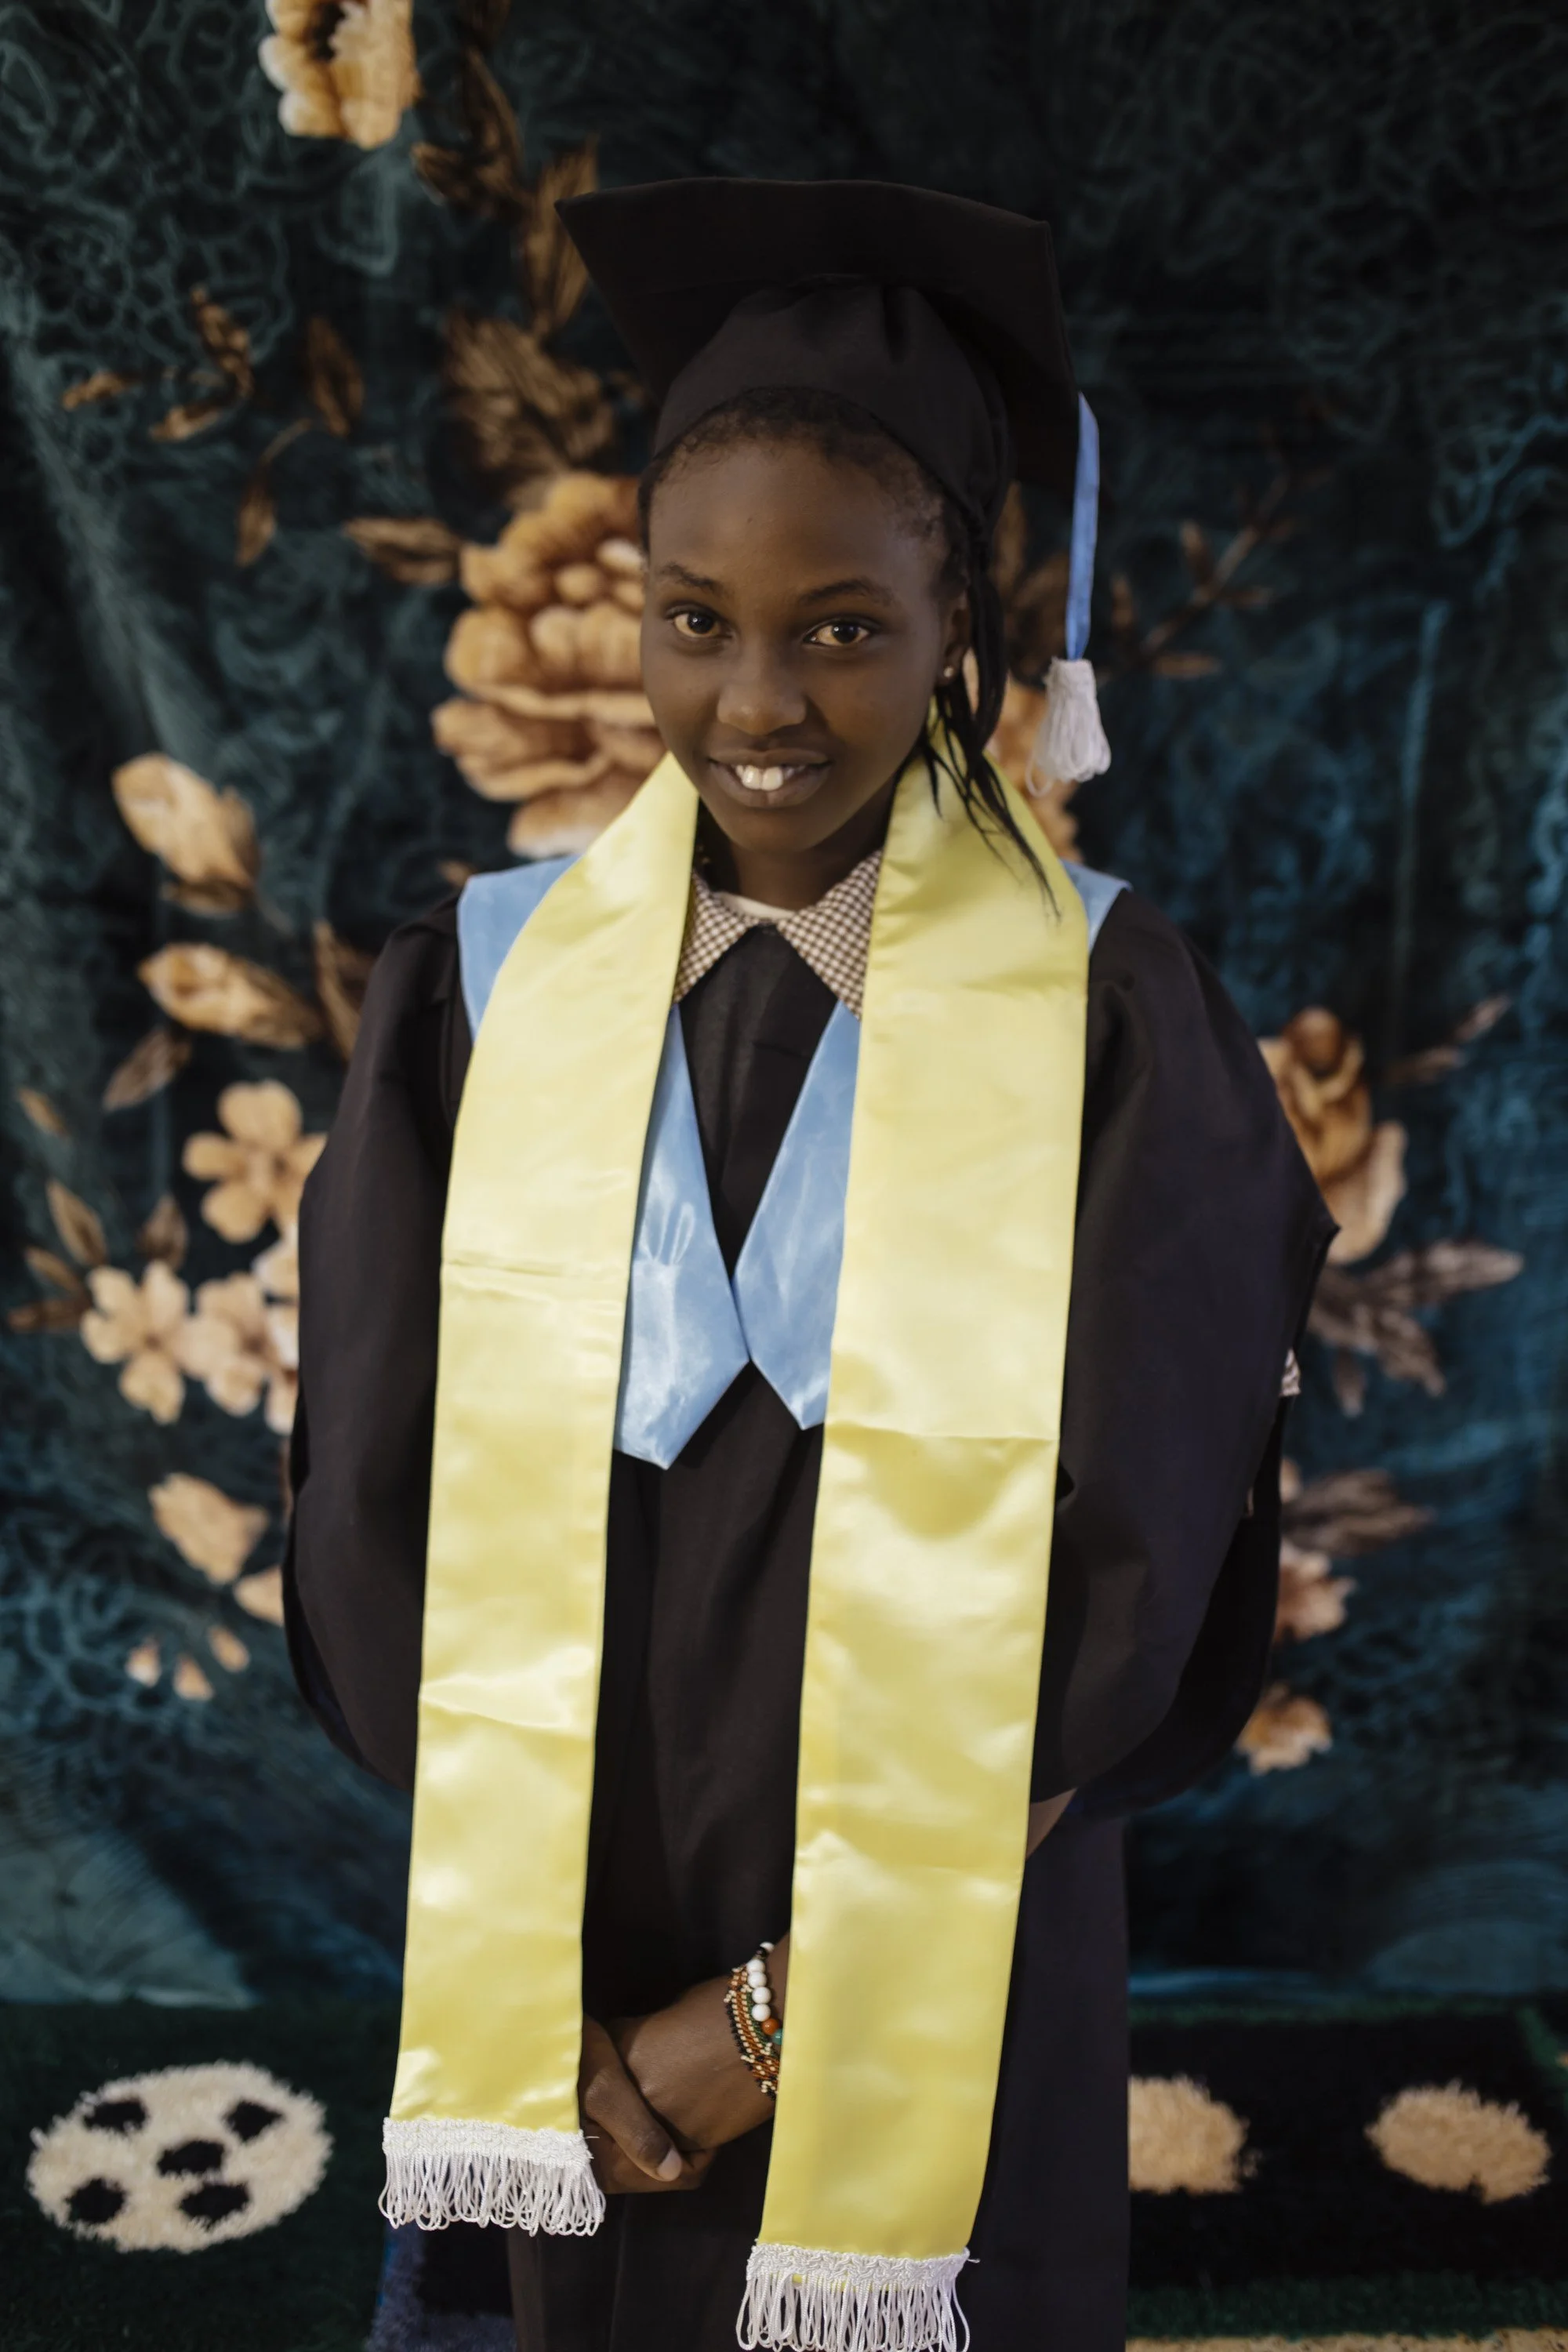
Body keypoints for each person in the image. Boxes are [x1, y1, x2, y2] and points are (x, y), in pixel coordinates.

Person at [285, 179, 1333, 2352]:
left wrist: (771, 2014)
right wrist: (541, 1973)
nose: (755, 698)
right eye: (693, 618)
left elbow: (1140, 1578)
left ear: (960, 623)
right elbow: (375, 1499)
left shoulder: (1112, 1019)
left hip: (953, 1928)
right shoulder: (480, 994)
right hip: (575, 1894)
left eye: (840, 625)